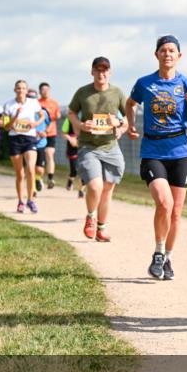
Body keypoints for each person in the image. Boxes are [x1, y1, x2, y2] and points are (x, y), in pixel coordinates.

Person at [127, 35, 187, 280]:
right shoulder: (145, 83)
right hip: (153, 151)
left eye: (172, 50)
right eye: (163, 50)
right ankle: (158, 253)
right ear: (157, 55)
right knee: (164, 203)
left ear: (179, 56)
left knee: (176, 212)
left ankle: (168, 257)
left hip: (180, 153)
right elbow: (130, 104)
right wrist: (131, 125)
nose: (168, 54)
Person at [67, 56, 128, 241]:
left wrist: (120, 127)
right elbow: (71, 112)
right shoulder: (83, 92)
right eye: (98, 70)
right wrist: (80, 125)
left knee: (107, 189)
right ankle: (91, 217)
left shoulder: (117, 93)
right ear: (92, 72)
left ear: (110, 72)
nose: (101, 74)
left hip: (110, 146)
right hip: (89, 146)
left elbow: (128, 117)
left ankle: (101, 228)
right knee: (95, 186)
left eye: (105, 70)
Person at [0, 80, 44, 213]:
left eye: (23, 88)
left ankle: (31, 200)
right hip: (15, 139)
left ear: (26, 90)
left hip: (30, 138)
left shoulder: (33, 103)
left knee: (31, 169)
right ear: (15, 90)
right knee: (20, 174)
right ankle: (20, 201)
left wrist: (35, 124)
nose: (21, 90)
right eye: (18, 88)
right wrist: (16, 116)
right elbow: (6, 127)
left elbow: (42, 116)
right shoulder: (8, 105)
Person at [38, 82, 62, 189]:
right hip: (39, 133)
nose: (45, 91)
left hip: (51, 133)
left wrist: (58, 115)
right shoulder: (36, 103)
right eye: (43, 89)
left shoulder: (54, 103)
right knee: (39, 156)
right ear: (40, 91)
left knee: (49, 154)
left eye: (47, 89)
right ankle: (38, 178)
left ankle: (50, 178)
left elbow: (56, 117)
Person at [61, 116, 85, 198]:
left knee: (84, 169)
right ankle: (70, 180)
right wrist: (70, 139)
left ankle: (81, 191)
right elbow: (63, 133)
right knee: (74, 170)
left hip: (84, 147)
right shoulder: (69, 119)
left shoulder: (87, 117)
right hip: (72, 148)